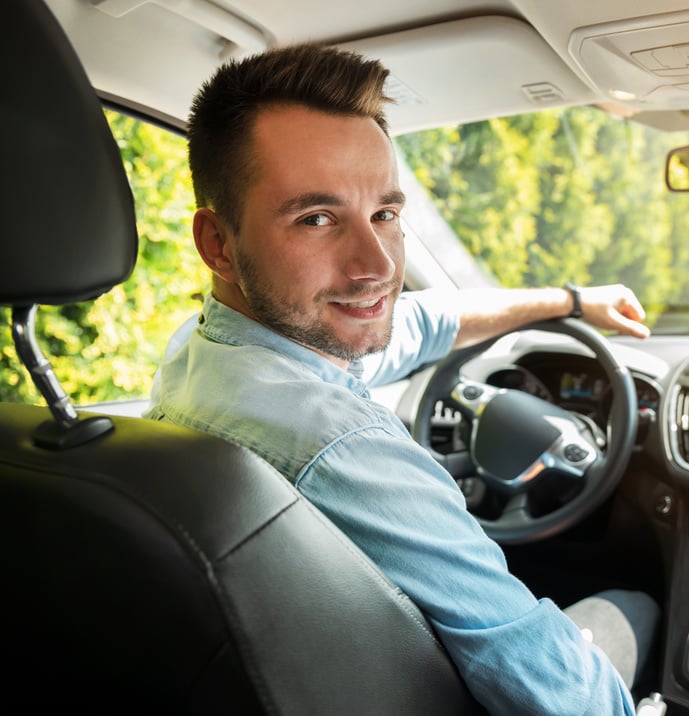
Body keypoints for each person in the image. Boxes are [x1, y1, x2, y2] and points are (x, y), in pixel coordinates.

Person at [146, 43, 658, 714]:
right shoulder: (344, 446)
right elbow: (560, 690)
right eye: (316, 219)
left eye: (385, 215)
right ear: (217, 243)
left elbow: (418, 325)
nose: (377, 266)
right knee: (638, 607)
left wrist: (567, 301)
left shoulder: (202, 354)